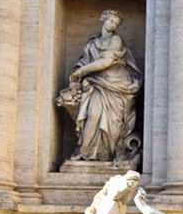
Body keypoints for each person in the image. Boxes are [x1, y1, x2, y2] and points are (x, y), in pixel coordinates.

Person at [60, 9, 142, 162]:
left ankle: (108, 154)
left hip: (116, 84)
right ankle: (84, 151)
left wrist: (82, 71)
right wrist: (78, 72)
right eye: (111, 21)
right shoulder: (92, 43)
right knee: (93, 115)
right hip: (97, 83)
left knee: (113, 122)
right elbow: (83, 62)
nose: (113, 25)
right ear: (103, 19)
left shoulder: (116, 40)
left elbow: (106, 62)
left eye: (116, 23)